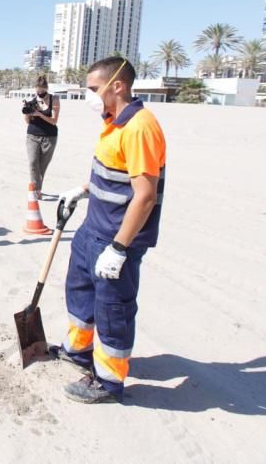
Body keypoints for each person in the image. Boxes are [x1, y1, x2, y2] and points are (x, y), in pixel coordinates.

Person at [54, 57, 166, 404]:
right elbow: (110, 168)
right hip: (93, 228)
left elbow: (145, 195)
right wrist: (81, 190)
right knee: (80, 290)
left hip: (117, 235)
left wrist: (119, 249)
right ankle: (78, 350)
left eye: (92, 89)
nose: (89, 96)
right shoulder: (114, 122)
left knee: (112, 308)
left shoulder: (140, 127)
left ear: (117, 86)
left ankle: (108, 379)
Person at [24, 75, 61, 199]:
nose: (40, 93)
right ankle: (36, 190)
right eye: (38, 90)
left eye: (42, 90)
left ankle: (38, 188)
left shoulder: (54, 99)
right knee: (33, 163)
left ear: (47, 88)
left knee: (42, 166)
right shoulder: (32, 101)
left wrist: (39, 114)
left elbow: (54, 121)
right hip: (32, 136)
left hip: (50, 137)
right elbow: (28, 122)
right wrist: (28, 112)